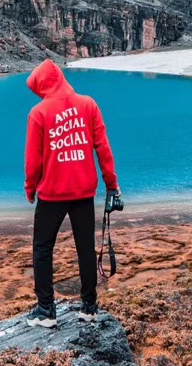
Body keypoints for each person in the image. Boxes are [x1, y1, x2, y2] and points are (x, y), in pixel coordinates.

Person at [23, 59, 121, 328]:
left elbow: (33, 162)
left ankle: (46, 311)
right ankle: (89, 307)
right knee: (85, 249)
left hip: (52, 194)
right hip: (83, 191)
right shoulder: (88, 104)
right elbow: (103, 148)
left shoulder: (38, 113)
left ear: (43, 86)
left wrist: (30, 188)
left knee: (42, 249)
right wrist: (112, 184)